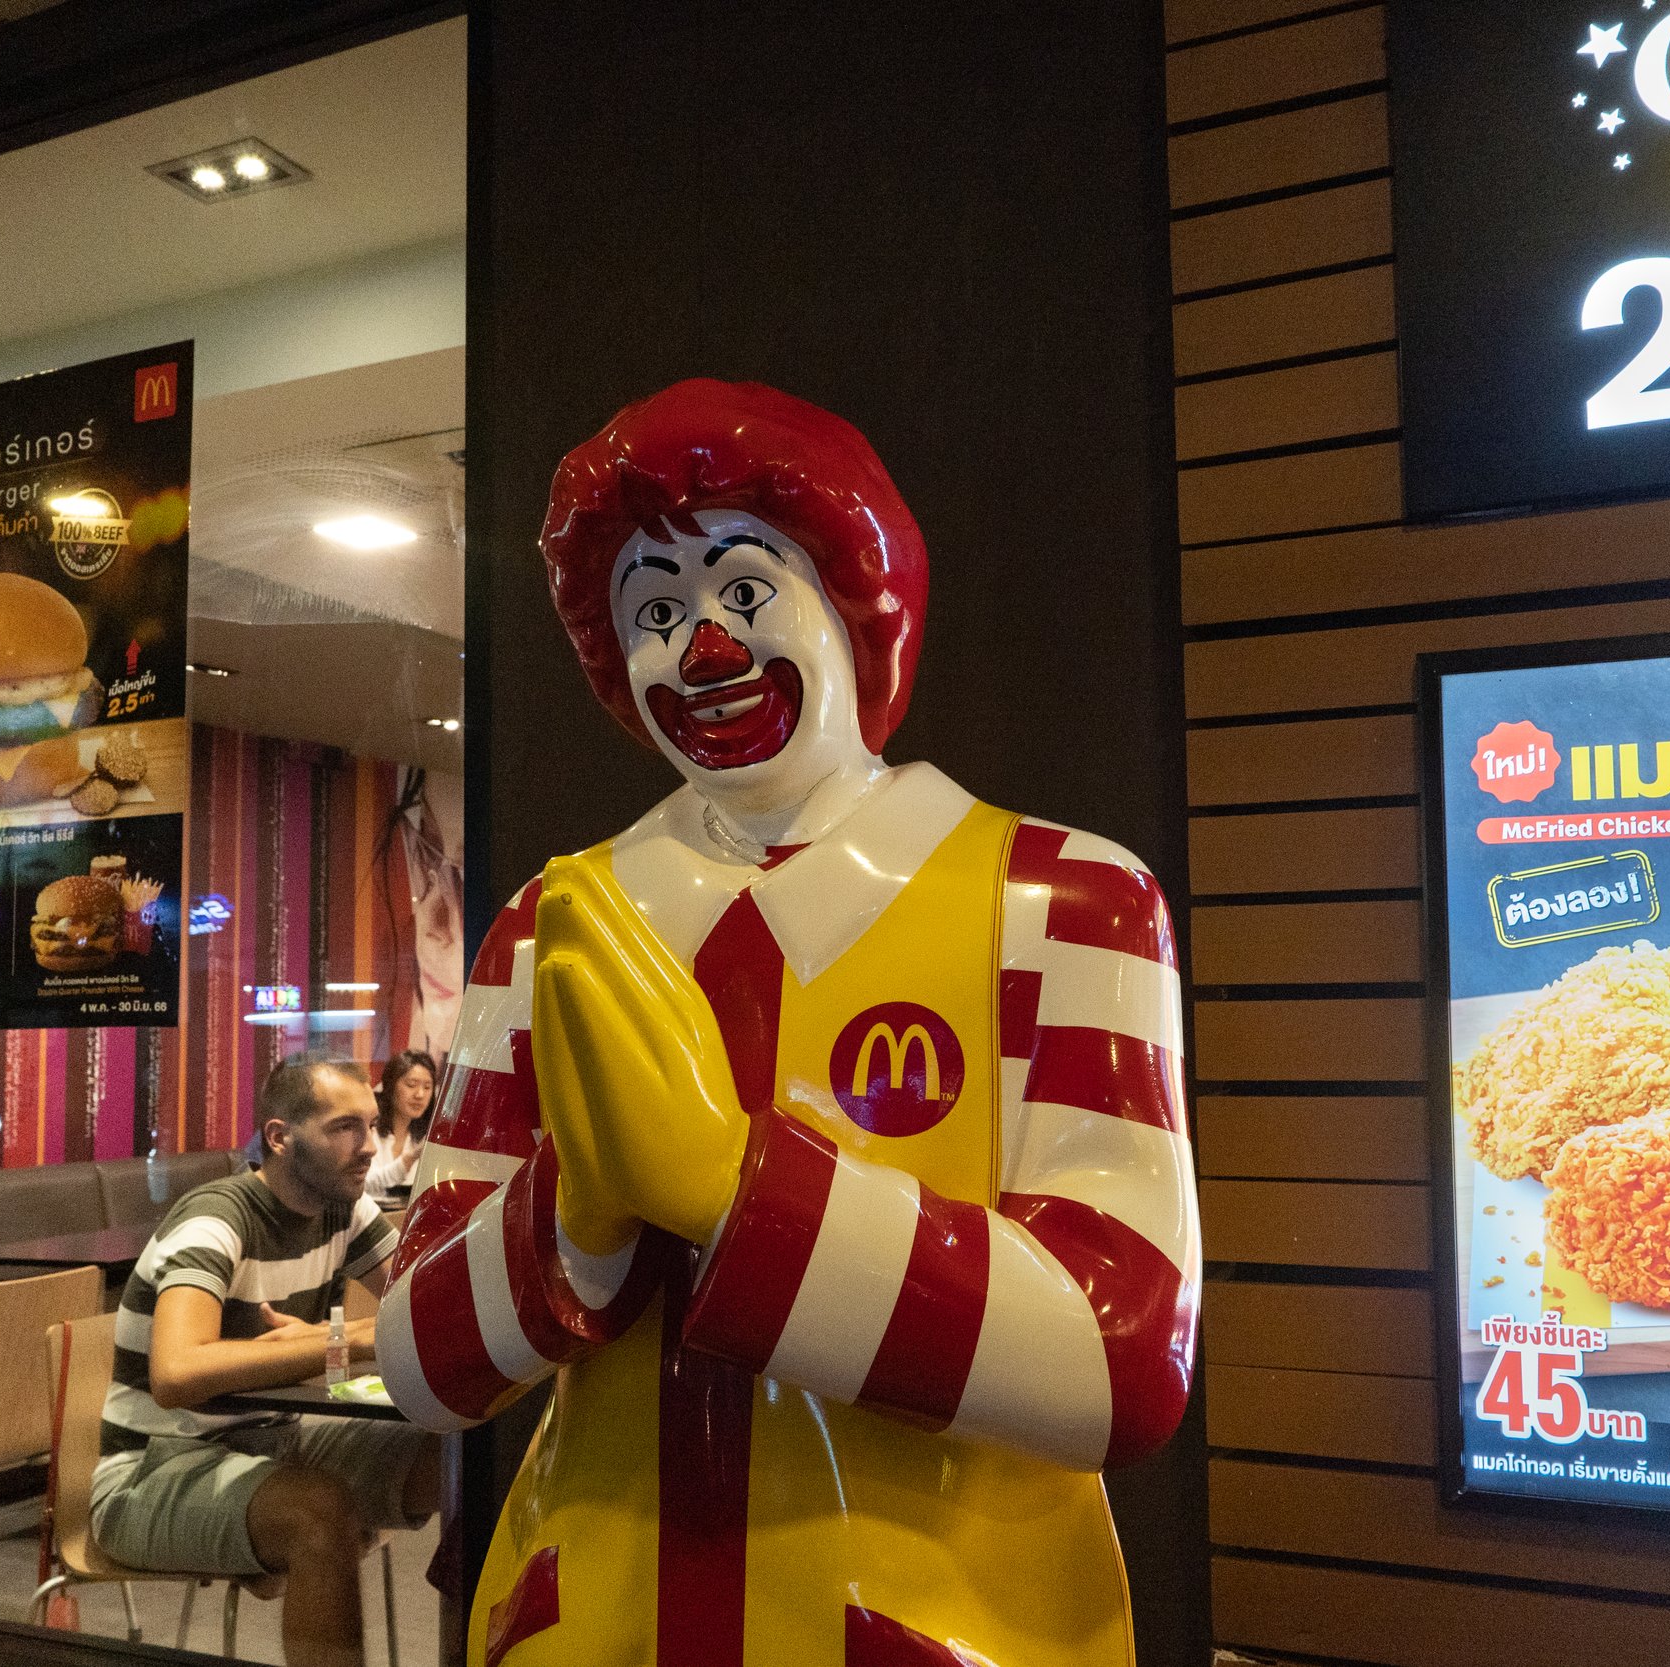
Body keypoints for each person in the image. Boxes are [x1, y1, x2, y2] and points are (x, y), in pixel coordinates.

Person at [374, 381, 1200, 1665]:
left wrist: (732, 1191)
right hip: (589, 1625)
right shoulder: (548, 924)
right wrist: (573, 1224)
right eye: (653, 611)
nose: (698, 651)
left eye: (744, 592)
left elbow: (1126, 1347)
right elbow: (420, 1360)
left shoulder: (1065, 901)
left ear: (856, 601)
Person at [92, 1051, 435, 1667]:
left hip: (273, 1442)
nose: (368, 1145)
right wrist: (344, 1341)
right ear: (279, 1138)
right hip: (151, 1471)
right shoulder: (216, 1218)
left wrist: (316, 1343)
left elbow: (424, 1310)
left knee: (460, 1456)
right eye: (344, 1127)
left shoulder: (344, 1210)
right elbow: (177, 1374)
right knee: (318, 1515)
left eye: (370, 1123)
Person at [361, 1049, 437, 1198]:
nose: (420, 1094)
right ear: (390, 1085)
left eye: (427, 1087)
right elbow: (364, 1184)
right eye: (411, 1084)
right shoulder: (369, 1129)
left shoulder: (421, 1138)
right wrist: (408, 1159)